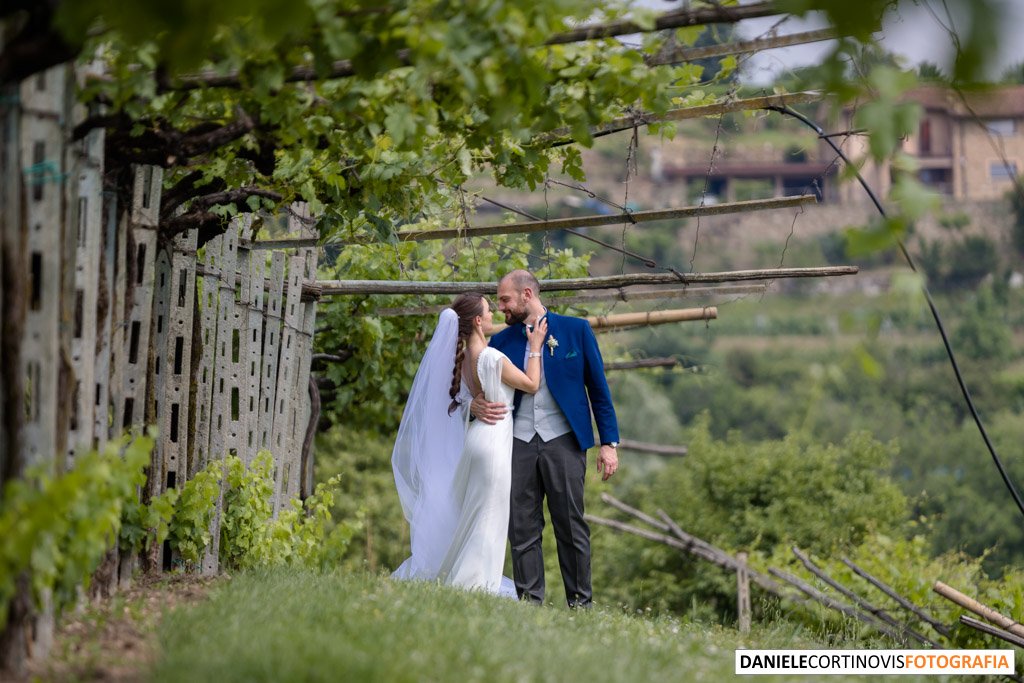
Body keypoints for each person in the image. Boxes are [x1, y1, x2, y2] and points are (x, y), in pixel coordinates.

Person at [471, 270, 619, 608]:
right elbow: (480, 388)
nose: (502, 307)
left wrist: (608, 443)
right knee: (521, 525)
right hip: (517, 441)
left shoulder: (575, 330)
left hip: (564, 441)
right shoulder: (502, 341)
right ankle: (529, 602)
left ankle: (580, 604)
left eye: (505, 300)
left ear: (526, 294)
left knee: (571, 523)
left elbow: (599, 390)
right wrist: (475, 404)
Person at [392, 293, 548, 594]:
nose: (493, 315)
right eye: (489, 311)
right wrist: (536, 347)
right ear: (478, 320)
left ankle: (471, 578)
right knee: (489, 517)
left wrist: (473, 404)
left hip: (478, 440)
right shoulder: (491, 357)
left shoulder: (462, 360)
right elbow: (531, 384)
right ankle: (474, 583)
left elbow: (462, 398)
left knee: (478, 515)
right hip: (493, 443)